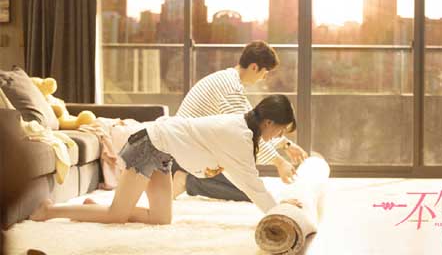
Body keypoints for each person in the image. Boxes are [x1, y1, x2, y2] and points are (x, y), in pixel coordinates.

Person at [30, 95, 302, 224]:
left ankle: (93, 210)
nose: (278, 136)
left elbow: (236, 173)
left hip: (161, 152)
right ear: (269, 122)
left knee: (160, 219)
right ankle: (49, 211)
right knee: (117, 215)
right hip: (148, 145)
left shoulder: (241, 129)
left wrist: (277, 204)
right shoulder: (239, 134)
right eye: (280, 131)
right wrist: (278, 210)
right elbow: (251, 183)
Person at [172, 40, 308, 201]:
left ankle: (188, 178)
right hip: (182, 154)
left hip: (190, 148)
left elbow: (254, 127)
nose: (264, 78)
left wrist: (286, 144)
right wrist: (279, 162)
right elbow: (247, 135)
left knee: (248, 183)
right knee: (248, 189)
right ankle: (186, 180)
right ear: (254, 67)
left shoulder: (229, 81)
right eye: (265, 72)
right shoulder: (230, 89)